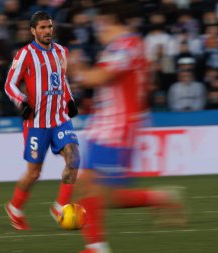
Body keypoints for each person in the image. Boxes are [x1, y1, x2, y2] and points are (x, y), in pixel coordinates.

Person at [68, 2, 187, 253]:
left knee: (94, 188)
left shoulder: (127, 44)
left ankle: (96, 247)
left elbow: (98, 78)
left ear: (110, 20)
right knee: (95, 190)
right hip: (104, 124)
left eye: (98, 23)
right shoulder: (117, 47)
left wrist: (75, 69)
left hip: (119, 126)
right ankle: (158, 198)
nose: (96, 29)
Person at [4, 11, 80, 230]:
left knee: (73, 158)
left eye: (49, 27)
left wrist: (70, 100)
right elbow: (10, 84)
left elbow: (61, 79)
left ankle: (60, 207)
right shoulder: (25, 54)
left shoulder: (61, 51)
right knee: (34, 173)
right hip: (37, 123)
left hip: (60, 119)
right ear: (33, 31)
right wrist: (22, 102)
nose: (47, 31)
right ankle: (15, 208)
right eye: (43, 28)